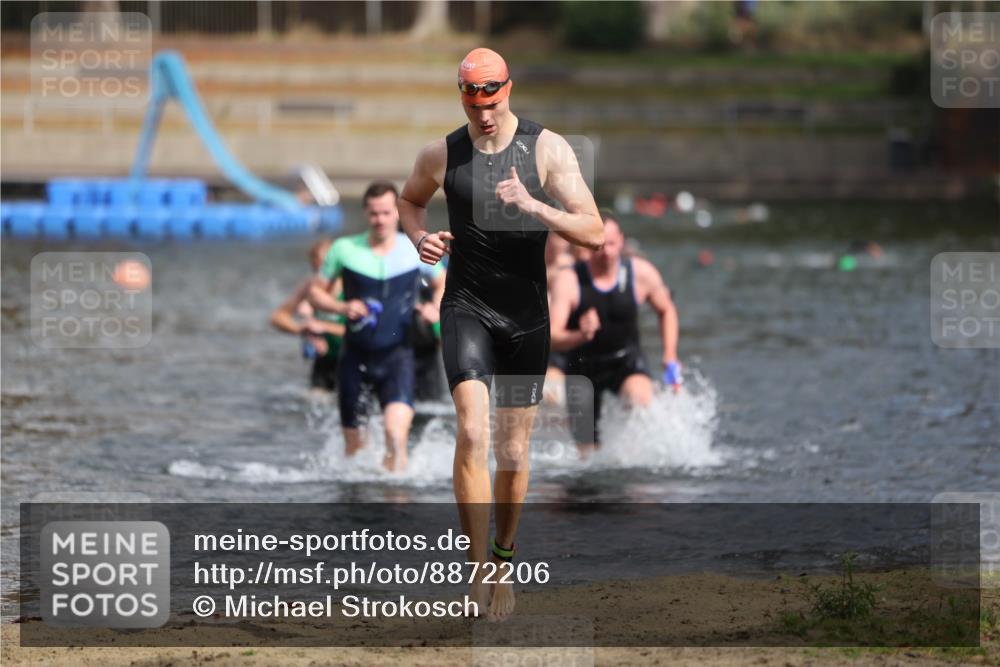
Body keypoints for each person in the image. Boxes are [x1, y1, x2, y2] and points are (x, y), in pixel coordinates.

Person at [397, 47, 603, 621]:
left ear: (508, 89)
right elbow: (410, 202)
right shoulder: (441, 153)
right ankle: (476, 571)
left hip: (526, 317)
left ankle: (504, 560)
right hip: (466, 306)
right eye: (472, 99)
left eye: (493, 97)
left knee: (512, 451)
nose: (484, 112)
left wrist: (535, 206)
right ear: (461, 96)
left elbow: (594, 232)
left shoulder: (547, 149)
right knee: (470, 431)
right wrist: (420, 239)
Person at [309, 181, 445, 473]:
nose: (379, 220)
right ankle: (361, 511)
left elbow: (442, 281)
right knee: (354, 452)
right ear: (365, 213)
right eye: (373, 214)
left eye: (385, 213)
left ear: (397, 212)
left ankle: (396, 506)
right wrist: (342, 307)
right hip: (354, 358)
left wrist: (436, 306)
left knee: (395, 437)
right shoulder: (344, 249)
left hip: (398, 358)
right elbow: (316, 293)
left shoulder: (414, 249)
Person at [549, 215, 682, 458]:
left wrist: (670, 355)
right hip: (582, 368)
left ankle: (632, 463)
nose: (607, 252)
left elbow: (667, 309)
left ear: (621, 241)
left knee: (640, 401)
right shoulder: (569, 280)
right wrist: (580, 334)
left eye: (611, 244)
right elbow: (553, 337)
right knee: (587, 458)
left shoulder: (641, 273)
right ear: (588, 245)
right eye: (600, 246)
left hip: (626, 362)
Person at [270, 239, 346, 392]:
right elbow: (278, 317)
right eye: (317, 269)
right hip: (324, 360)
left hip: (352, 357)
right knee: (315, 401)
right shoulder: (310, 286)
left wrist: (324, 327)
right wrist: (303, 329)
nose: (321, 278)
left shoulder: (353, 286)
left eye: (326, 269)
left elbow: (369, 330)